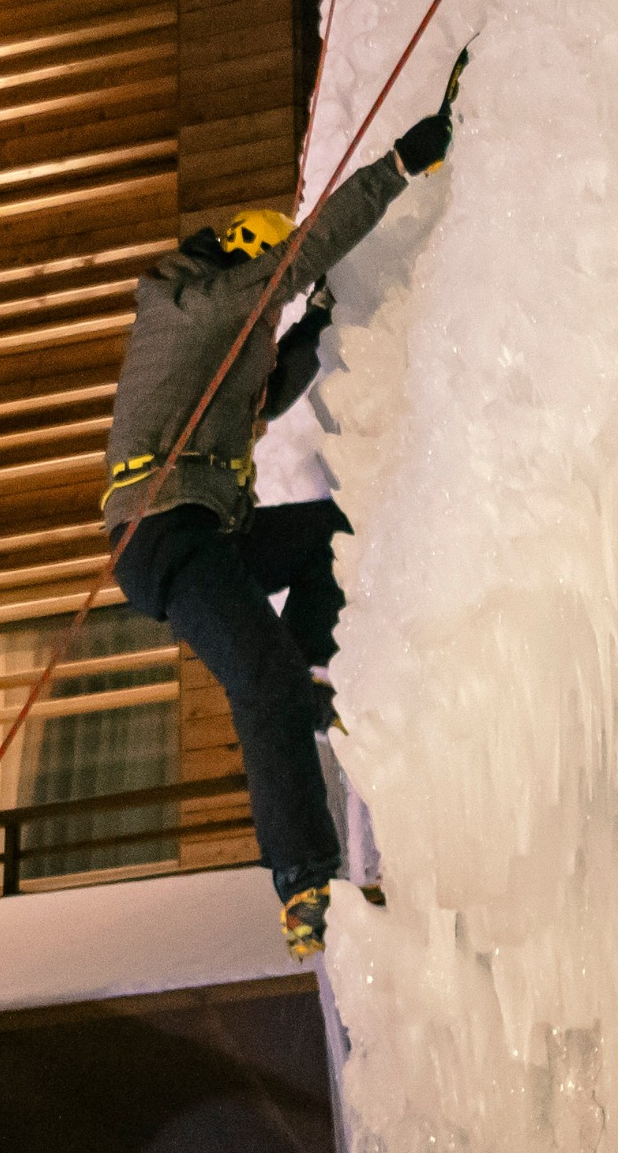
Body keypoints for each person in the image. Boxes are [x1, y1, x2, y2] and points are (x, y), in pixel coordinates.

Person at [102, 66, 457, 959]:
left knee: (331, 535)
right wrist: (400, 166)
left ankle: (303, 688)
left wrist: (308, 335)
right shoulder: (197, 304)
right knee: (255, 677)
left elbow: (256, 400)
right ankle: (304, 881)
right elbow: (296, 262)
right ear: (240, 257)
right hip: (164, 533)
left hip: (205, 527)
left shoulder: (215, 331)